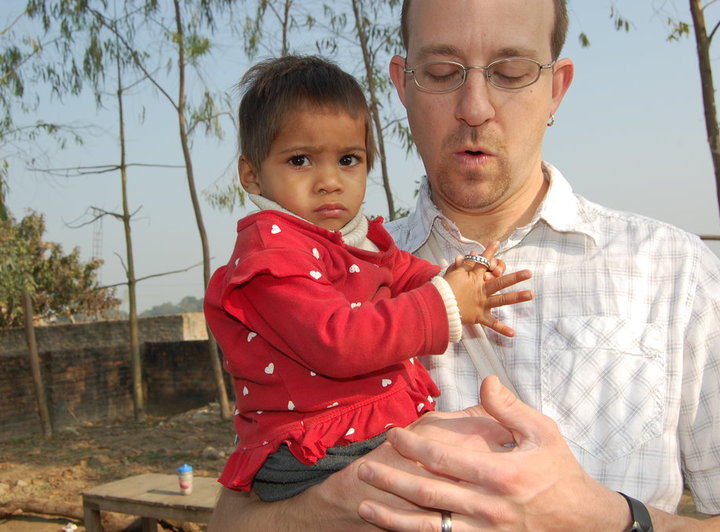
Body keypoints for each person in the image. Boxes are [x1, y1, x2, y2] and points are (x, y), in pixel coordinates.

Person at [208, 0, 720, 530]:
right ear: (403, 86)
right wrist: (336, 504)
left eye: (512, 71)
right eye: (441, 72)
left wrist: (607, 517)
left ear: (556, 88)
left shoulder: (677, 273)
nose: (475, 106)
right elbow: (234, 513)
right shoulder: (334, 271)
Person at [204, 55, 534, 503]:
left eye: (347, 159)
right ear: (252, 175)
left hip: (357, 431)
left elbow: (403, 272)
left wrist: (459, 277)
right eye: (300, 160)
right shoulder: (273, 252)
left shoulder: (349, 238)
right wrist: (445, 303)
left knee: (485, 447)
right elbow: (336, 343)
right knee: (467, 481)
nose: (329, 181)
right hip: (314, 444)